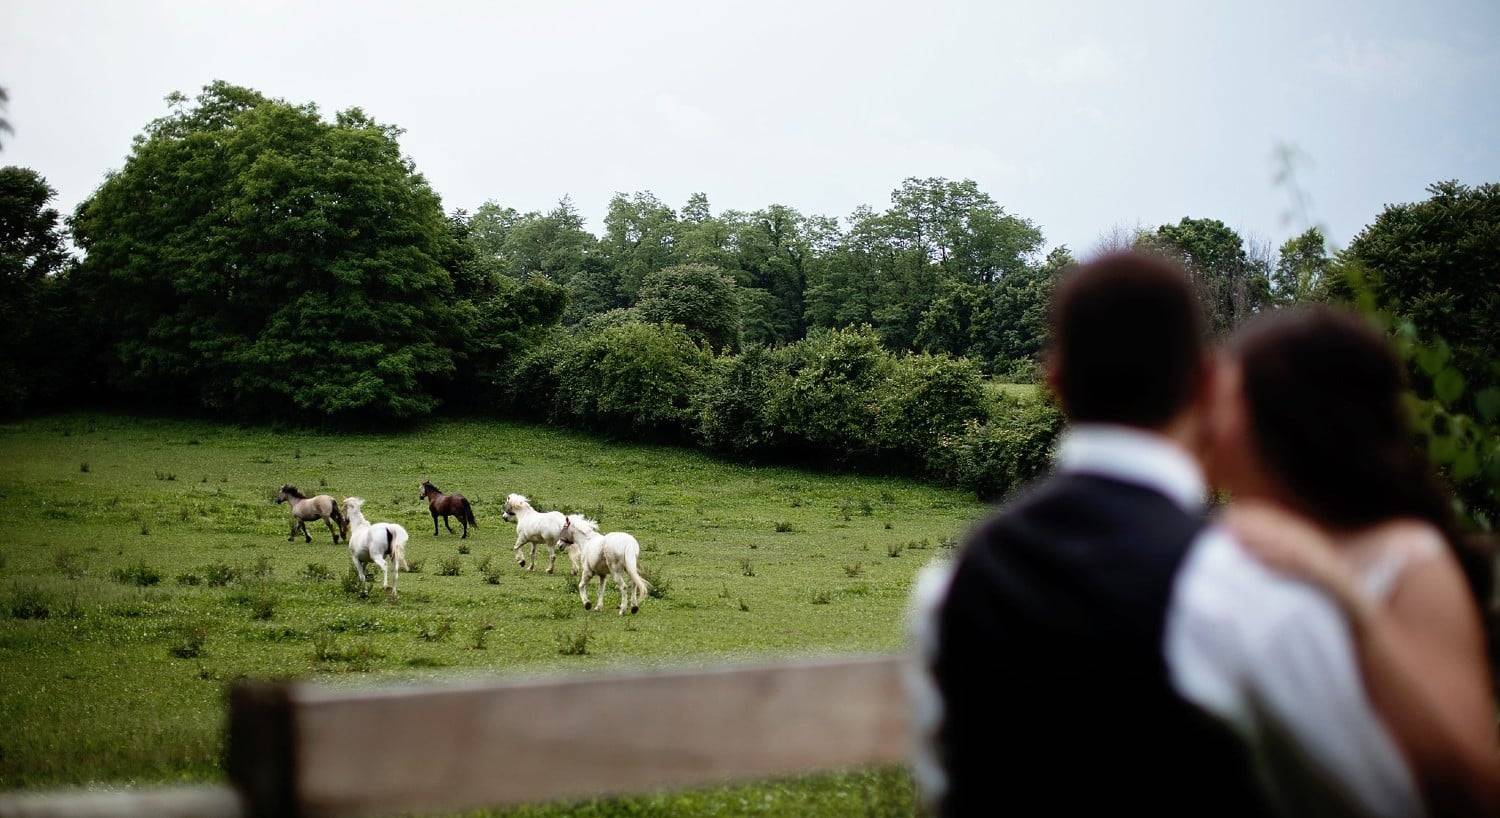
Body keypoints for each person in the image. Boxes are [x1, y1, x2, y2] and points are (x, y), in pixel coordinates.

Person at [910, 253, 1422, 817]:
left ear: (1053, 380)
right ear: (1206, 381)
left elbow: (947, 783)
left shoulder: (949, 585)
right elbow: (1385, 800)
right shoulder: (1243, 587)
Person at [1207, 307, 1499, 816]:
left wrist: (1348, 599)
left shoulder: (1409, 556)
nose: (1208, 425)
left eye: (1228, 404)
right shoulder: (1220, 544)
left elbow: (1475, 787)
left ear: (1285, 428)